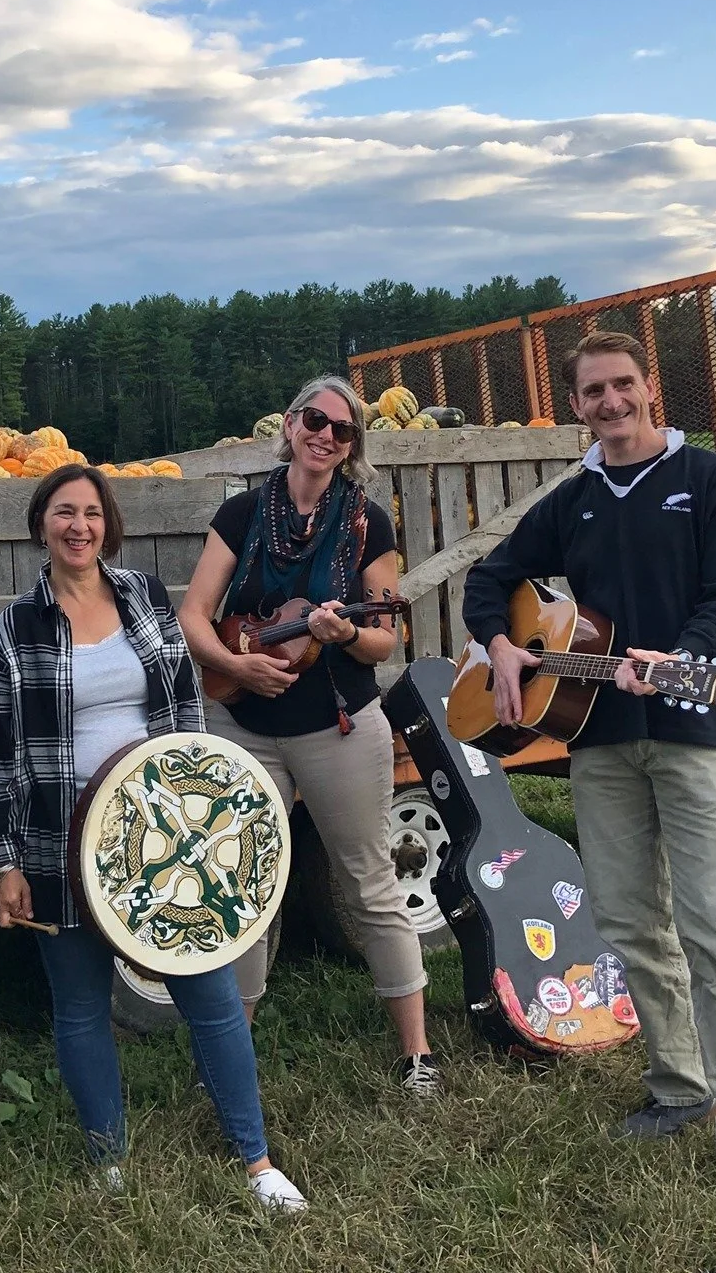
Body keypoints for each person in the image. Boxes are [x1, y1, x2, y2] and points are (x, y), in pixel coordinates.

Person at [461, 329, 716, 1223]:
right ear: (578, 404)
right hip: (599, 747)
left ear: (649, 388)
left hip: (694, 735)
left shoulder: (713, 483)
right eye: (593, 391)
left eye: (622, 385)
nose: (610, 402)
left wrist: (679, 658)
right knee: (632, 923)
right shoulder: (577, 496)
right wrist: (503, 648)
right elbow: (493, 577)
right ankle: (678, 1084)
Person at [0, 464, 308, 1214]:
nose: (78, 526)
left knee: (213, 997)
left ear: (108, 525)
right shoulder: (14, 628)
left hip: (162, 841)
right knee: (81, 1006)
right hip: (60, 842)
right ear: (41, 524)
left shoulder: (145, 598)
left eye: (91, 512)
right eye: (64, 512)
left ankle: (256, 1161)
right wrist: (1, 862)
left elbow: (186, 707)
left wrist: (198, 809)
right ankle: (109, 1161)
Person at [178, 375, 438, 1100]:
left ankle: (416, 1054)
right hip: (243, 721)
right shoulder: (241, 513)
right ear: (290, 426)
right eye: (314, 420)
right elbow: (196, 613)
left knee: (367, 882)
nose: (326, 435)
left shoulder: (367, 525)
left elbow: (383, 642)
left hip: (337, 726)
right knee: (244, 882)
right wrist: (235, 664)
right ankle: (235, 1056)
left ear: (353, 445)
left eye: (343, 428)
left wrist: (346, 630)